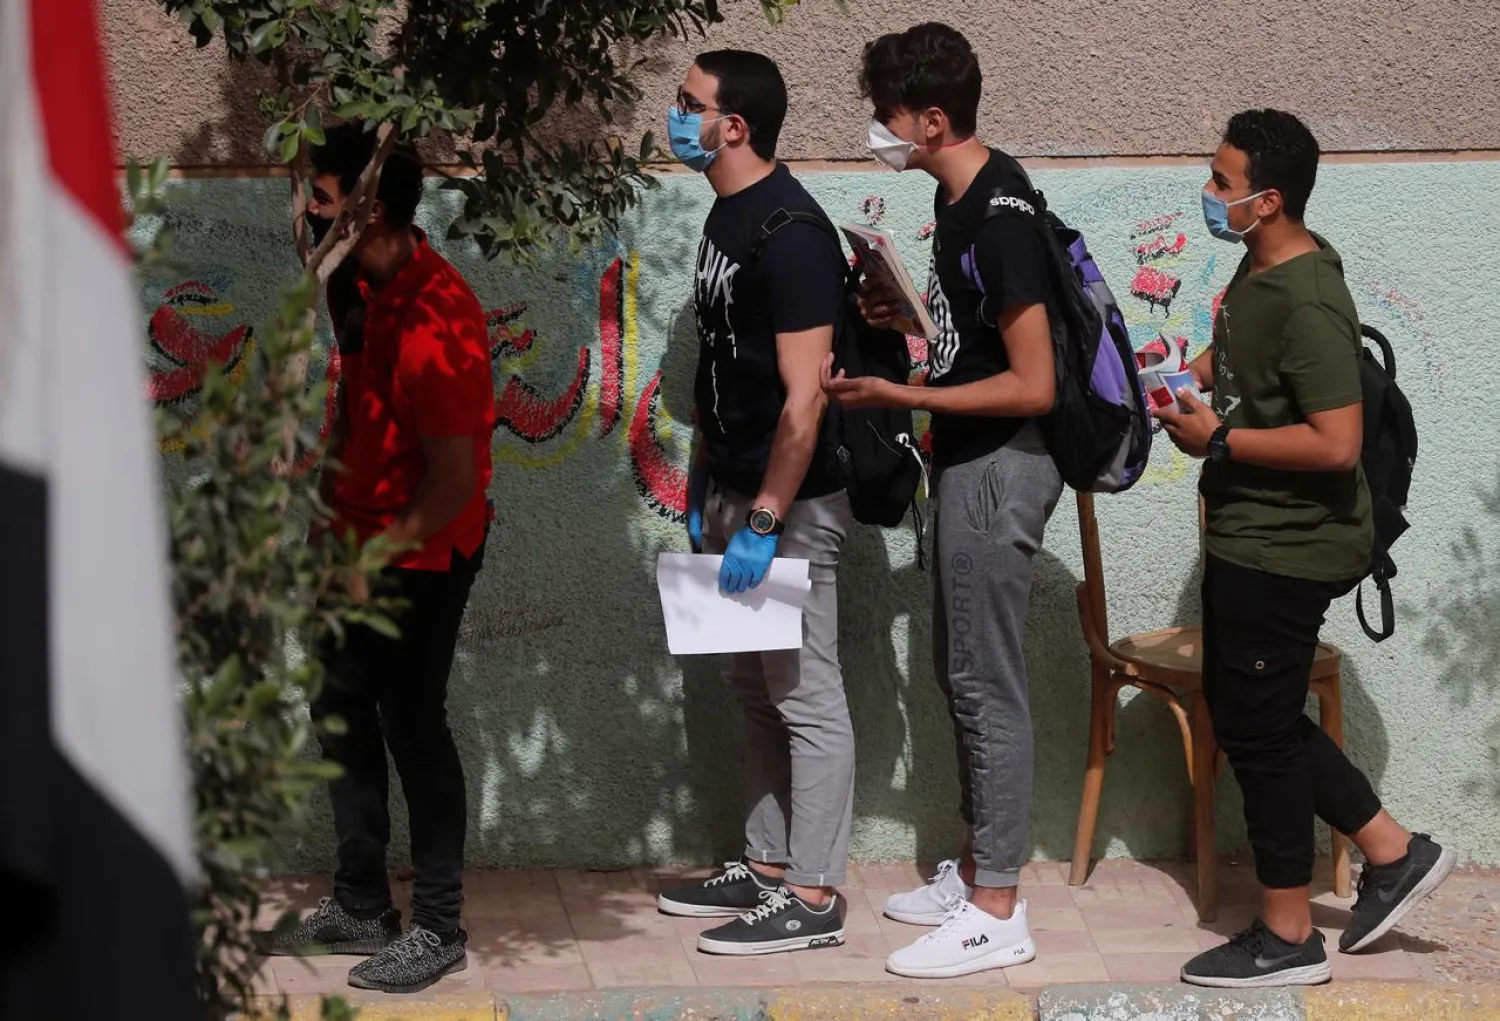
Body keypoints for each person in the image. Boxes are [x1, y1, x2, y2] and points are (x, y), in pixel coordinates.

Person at [1156, 109, 1455, 988]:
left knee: (1258, 733)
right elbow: (1242, 360)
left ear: (1269, 198)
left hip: (1291, 544)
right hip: (1252, 532)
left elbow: (1333, 442)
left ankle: (1289, 935)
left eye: (1221, 181)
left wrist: (1218, 440)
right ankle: (1392, 850)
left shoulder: (1313, 298)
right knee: (1255, 711)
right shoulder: (1259, 268)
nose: (1208, 194)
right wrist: (1178, 372)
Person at [823, 23, 1061, 979]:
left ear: (931, 118)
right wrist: (908, 325)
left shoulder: (999, 217)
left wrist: (899, 395)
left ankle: (999, 906)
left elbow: (1035, 382)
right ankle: (978, 872)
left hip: (1003, 462)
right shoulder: (962, 203)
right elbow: (984, 350)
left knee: (983, 677)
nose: (879, 136)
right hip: (972, 458)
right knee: (957, 668)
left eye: (887, 121)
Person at [266, 123, 496, 995]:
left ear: (367, 208)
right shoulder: (355, 285)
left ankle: (438, 926)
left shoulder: (440, 324)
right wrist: (324, 490)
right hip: (357, 534)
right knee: (338, 704)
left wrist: (378, 560)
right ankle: (361, 898)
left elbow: (452, 483)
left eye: (318, 198)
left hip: (427, 547)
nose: (305, 212)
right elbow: (360, 411)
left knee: (413, 724)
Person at [651, 49, 856, 957]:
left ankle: (813, 895)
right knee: (751, 686)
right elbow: (722, 366)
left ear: (734, 125)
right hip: (734, 488)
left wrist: (769, 517)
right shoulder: (726, 217)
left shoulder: (794, 231)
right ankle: (767, 865)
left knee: (806, 692)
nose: (675, 113)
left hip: (791, 501)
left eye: (689, 103)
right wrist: (706, 487)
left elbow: (806, 397)